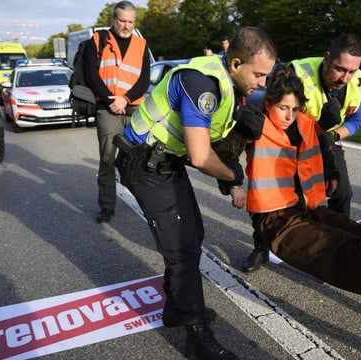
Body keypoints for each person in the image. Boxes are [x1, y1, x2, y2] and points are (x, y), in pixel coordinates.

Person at [122, 27, 277, 360]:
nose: (263, 82)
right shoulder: (202, 83)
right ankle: (197, 338)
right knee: (181, 249)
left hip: (166, 161)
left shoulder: (227, 81)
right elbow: (202, 156)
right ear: (235, 62)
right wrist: (234, 176)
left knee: (193, 236)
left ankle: (176, 310)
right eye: (260, 74)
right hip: (145, 165)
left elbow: (215, 142)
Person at [222, 64, 361, 302]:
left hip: (310, 206)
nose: (289, 116)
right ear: (269, 102)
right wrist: (234, 186)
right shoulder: (255, 121)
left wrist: (331, 173)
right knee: (334, 245)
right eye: (283, 108)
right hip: (274, 216)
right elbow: (225, 152)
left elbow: (324, 145)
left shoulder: (306, 122)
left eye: (295, 109)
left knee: (359, 231)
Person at [240, 33, 361, 272]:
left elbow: (358, 120)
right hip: (286, 140)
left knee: (342, 193)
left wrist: (333, 135)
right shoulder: (298, 71)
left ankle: (338, 248)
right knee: (271, 199)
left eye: (351, 71)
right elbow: (273, 101)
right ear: (327, 58)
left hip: (324, 139)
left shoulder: (357, 79)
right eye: (340, 69)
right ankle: (261, 247)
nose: (346, 78)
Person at [84, 1, 150, 223]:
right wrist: (111, 100)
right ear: (114, 19)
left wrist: (125, 98)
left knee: (141, 158)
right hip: (107, 108)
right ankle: (107, 207)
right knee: (108, 158)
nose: (126, 26)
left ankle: (149, 204)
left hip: (133, 108)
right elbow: (91, 74)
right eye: (122, 21)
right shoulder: (98, 40)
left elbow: (144, 80)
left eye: (131, 22)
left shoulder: (141, 45)